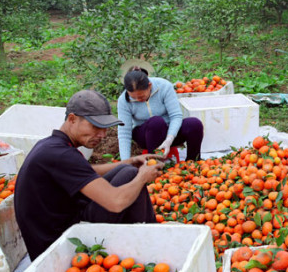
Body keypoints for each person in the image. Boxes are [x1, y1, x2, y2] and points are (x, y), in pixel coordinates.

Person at [14, 90, 163, 260]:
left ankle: (146, 234)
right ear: (72, 119)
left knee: (127, 170)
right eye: (95, 127)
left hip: (63, 221)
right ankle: (150, 241)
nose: (102, 135)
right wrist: (142, 176)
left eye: (104, 128)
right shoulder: (61, 155)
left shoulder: (51, 145)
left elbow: (86, 171)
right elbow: (116, 202)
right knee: (131, 176)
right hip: (61, 243)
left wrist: (128, 161)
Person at [117, 66, 204, 161]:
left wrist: (169, 138)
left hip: (169, 132)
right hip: (145, 135)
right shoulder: (123, 101)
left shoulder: (164, 86)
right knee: (156, 122)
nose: (138, 100)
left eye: (141, 96)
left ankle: (192, 163)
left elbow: (176, 116)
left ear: (149, 86)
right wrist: (125, 162)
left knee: (194, 124)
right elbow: (124, 133)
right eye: (134, 97)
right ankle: (155, 164)